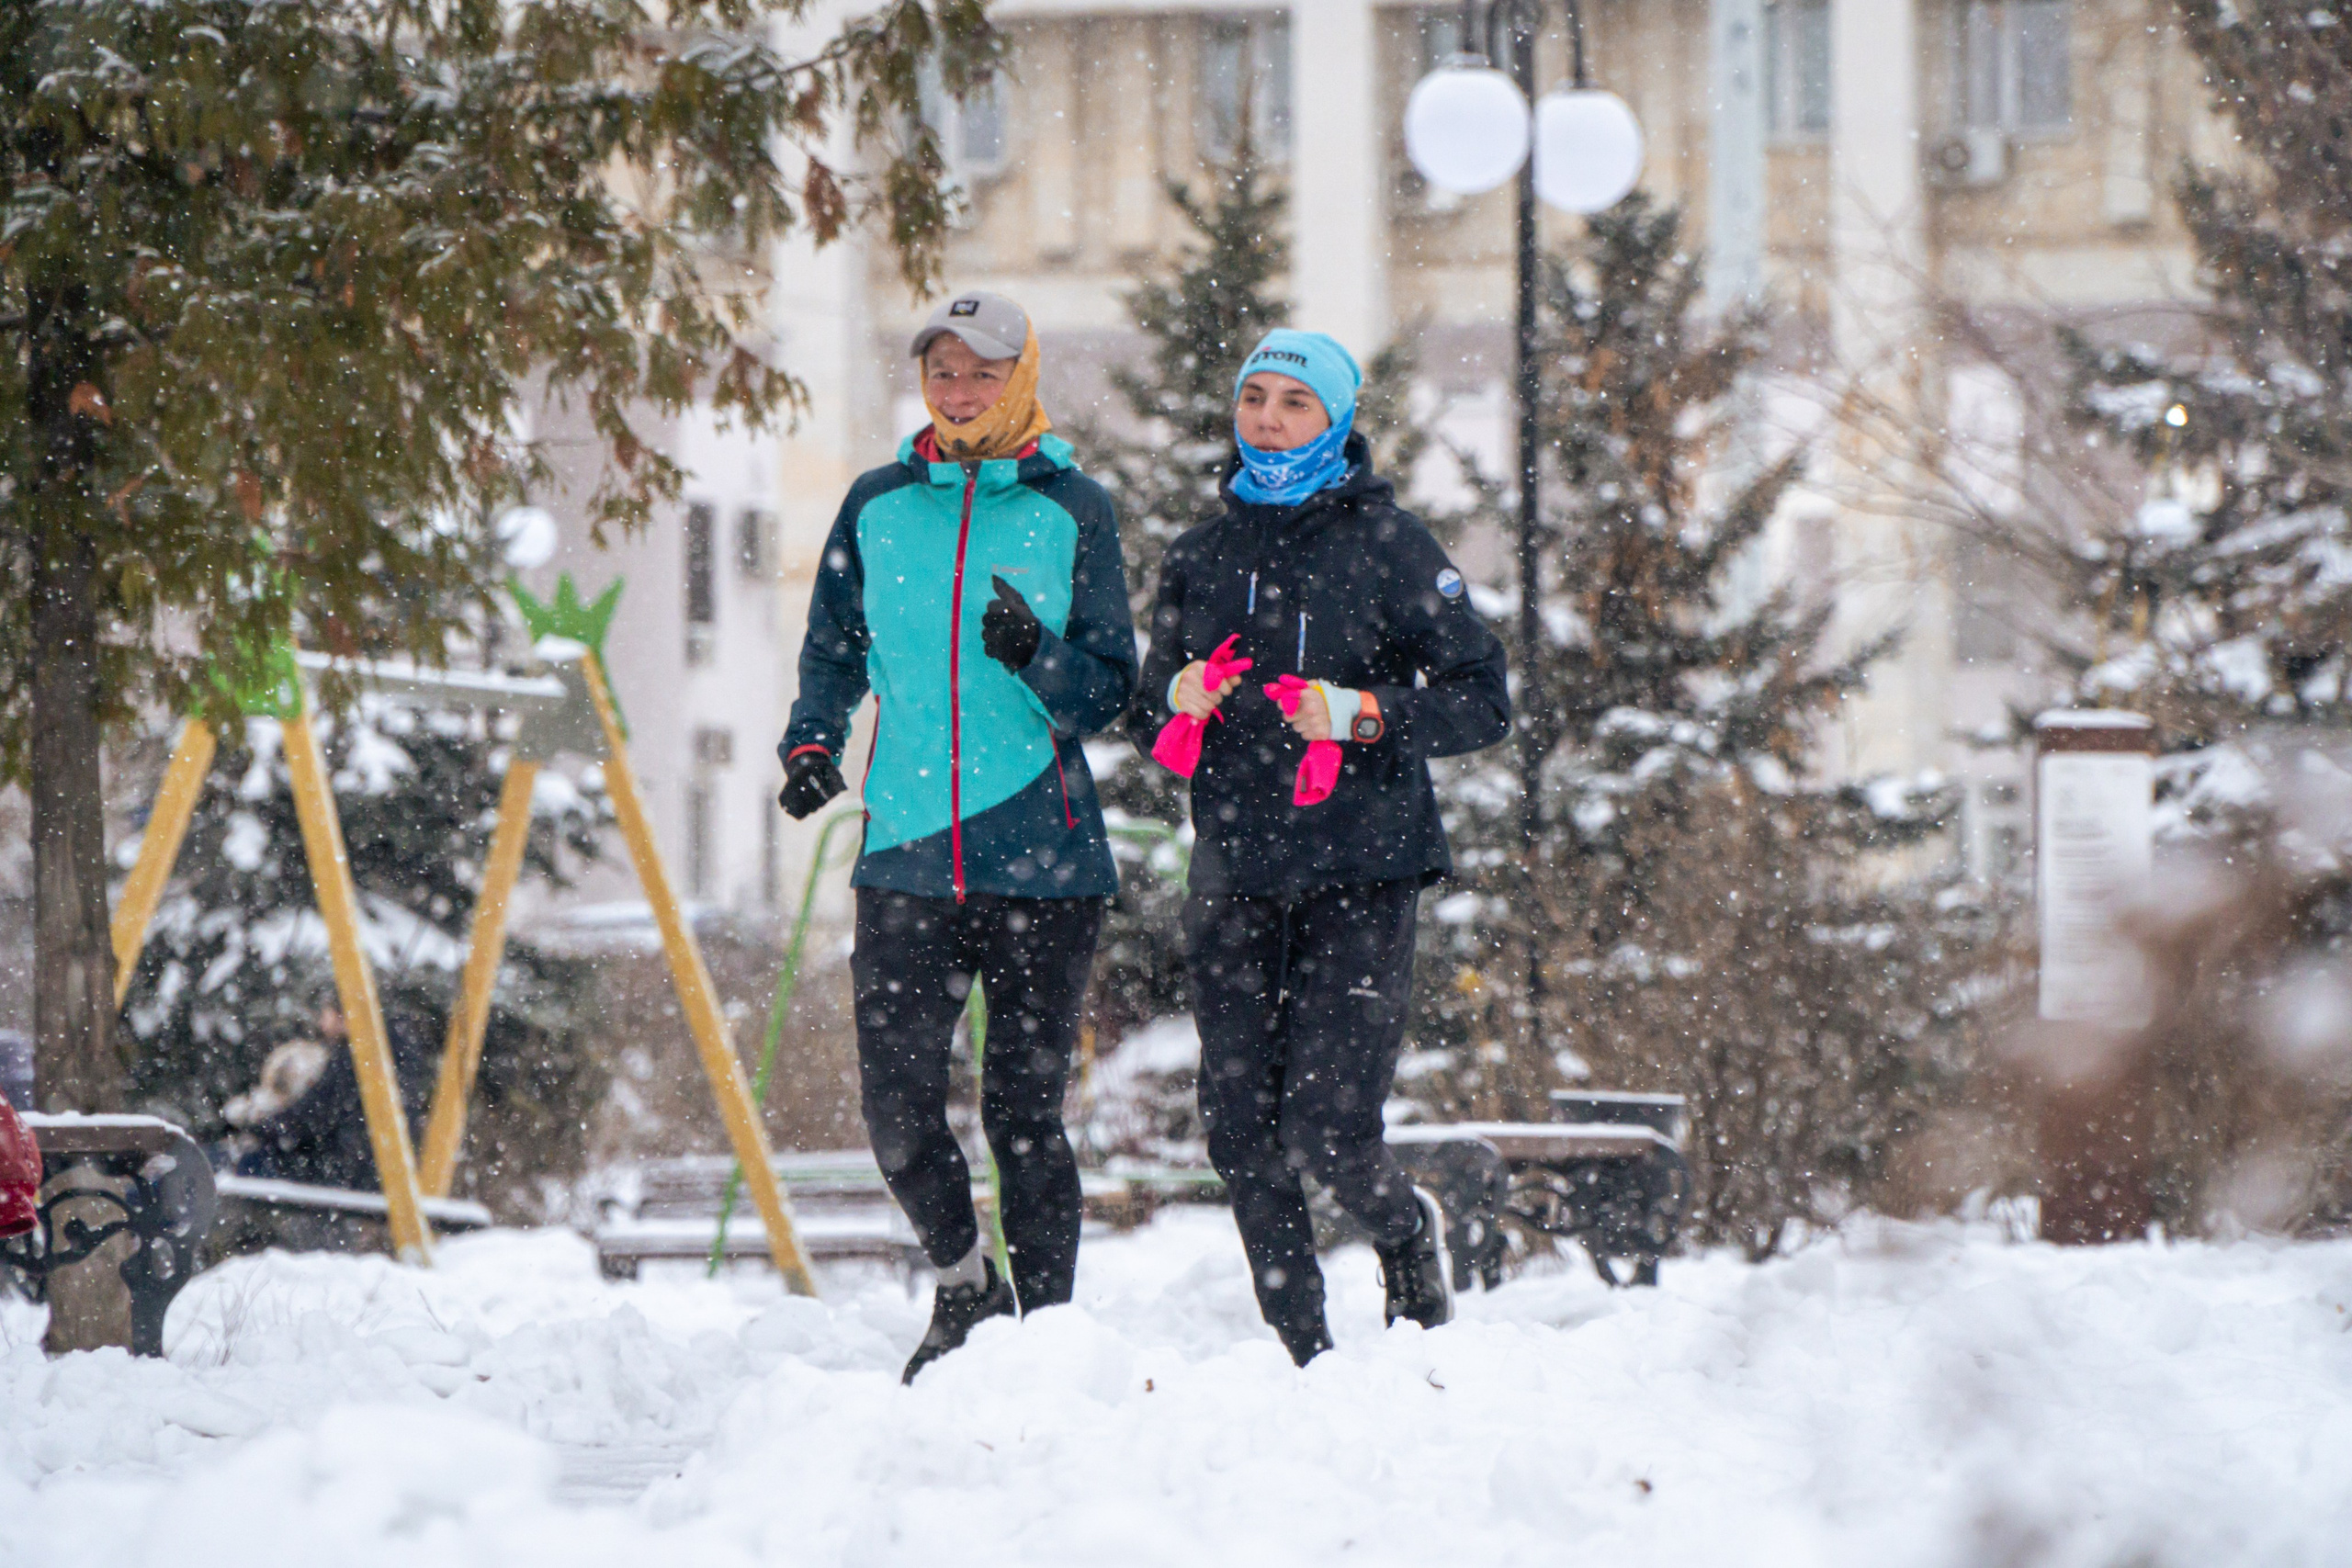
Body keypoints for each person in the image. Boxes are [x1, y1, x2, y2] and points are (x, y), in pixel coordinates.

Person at [1134, 328, 1510, 1366]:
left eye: (1293, 402)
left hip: (1362, 866)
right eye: (1252, 396)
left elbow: (1485, 702)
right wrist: (1172, 694)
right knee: (1237, 1129)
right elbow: (1144, 711)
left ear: (1337, 420)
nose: (1265, 418)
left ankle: (1402, 1233)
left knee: (1329, 1131)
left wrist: (1364, 713)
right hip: (1235, 869)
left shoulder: (1391, 548)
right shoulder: (1198, 558)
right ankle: (1301, 1353)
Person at [778, 289, 1136, 1382]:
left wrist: (1036, 653)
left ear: (1019, 376)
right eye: (942, 371)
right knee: (895, 1112)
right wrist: (809, 743)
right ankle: (964, 1284)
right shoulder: (876, 504)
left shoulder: (1074, 508)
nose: (960, 391)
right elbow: (833, 647)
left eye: (981, 372)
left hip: (1046, 854)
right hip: (907, 853)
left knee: (1025, 1116)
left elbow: (1106, 694)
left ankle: (1050, 1341)